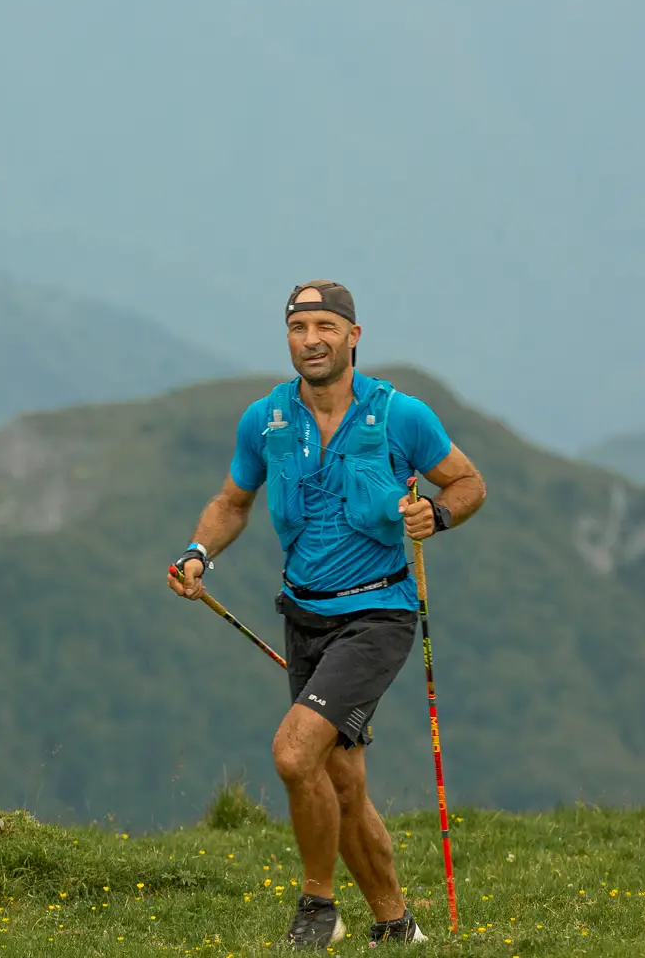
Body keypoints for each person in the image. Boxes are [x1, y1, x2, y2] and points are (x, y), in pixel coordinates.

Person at [166, 280, 486, 948]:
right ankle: (398, 925)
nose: (311, 340)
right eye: (298, 328)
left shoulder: (401, 415)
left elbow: (468, 480)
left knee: (292, 753)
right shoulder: (265, 421)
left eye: (325, 327)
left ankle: (318, 908)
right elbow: (232, 501)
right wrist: (198, 554)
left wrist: (440, 512)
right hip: (303, 615)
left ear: (353, 336)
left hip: (378, 617)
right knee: (339, 778)